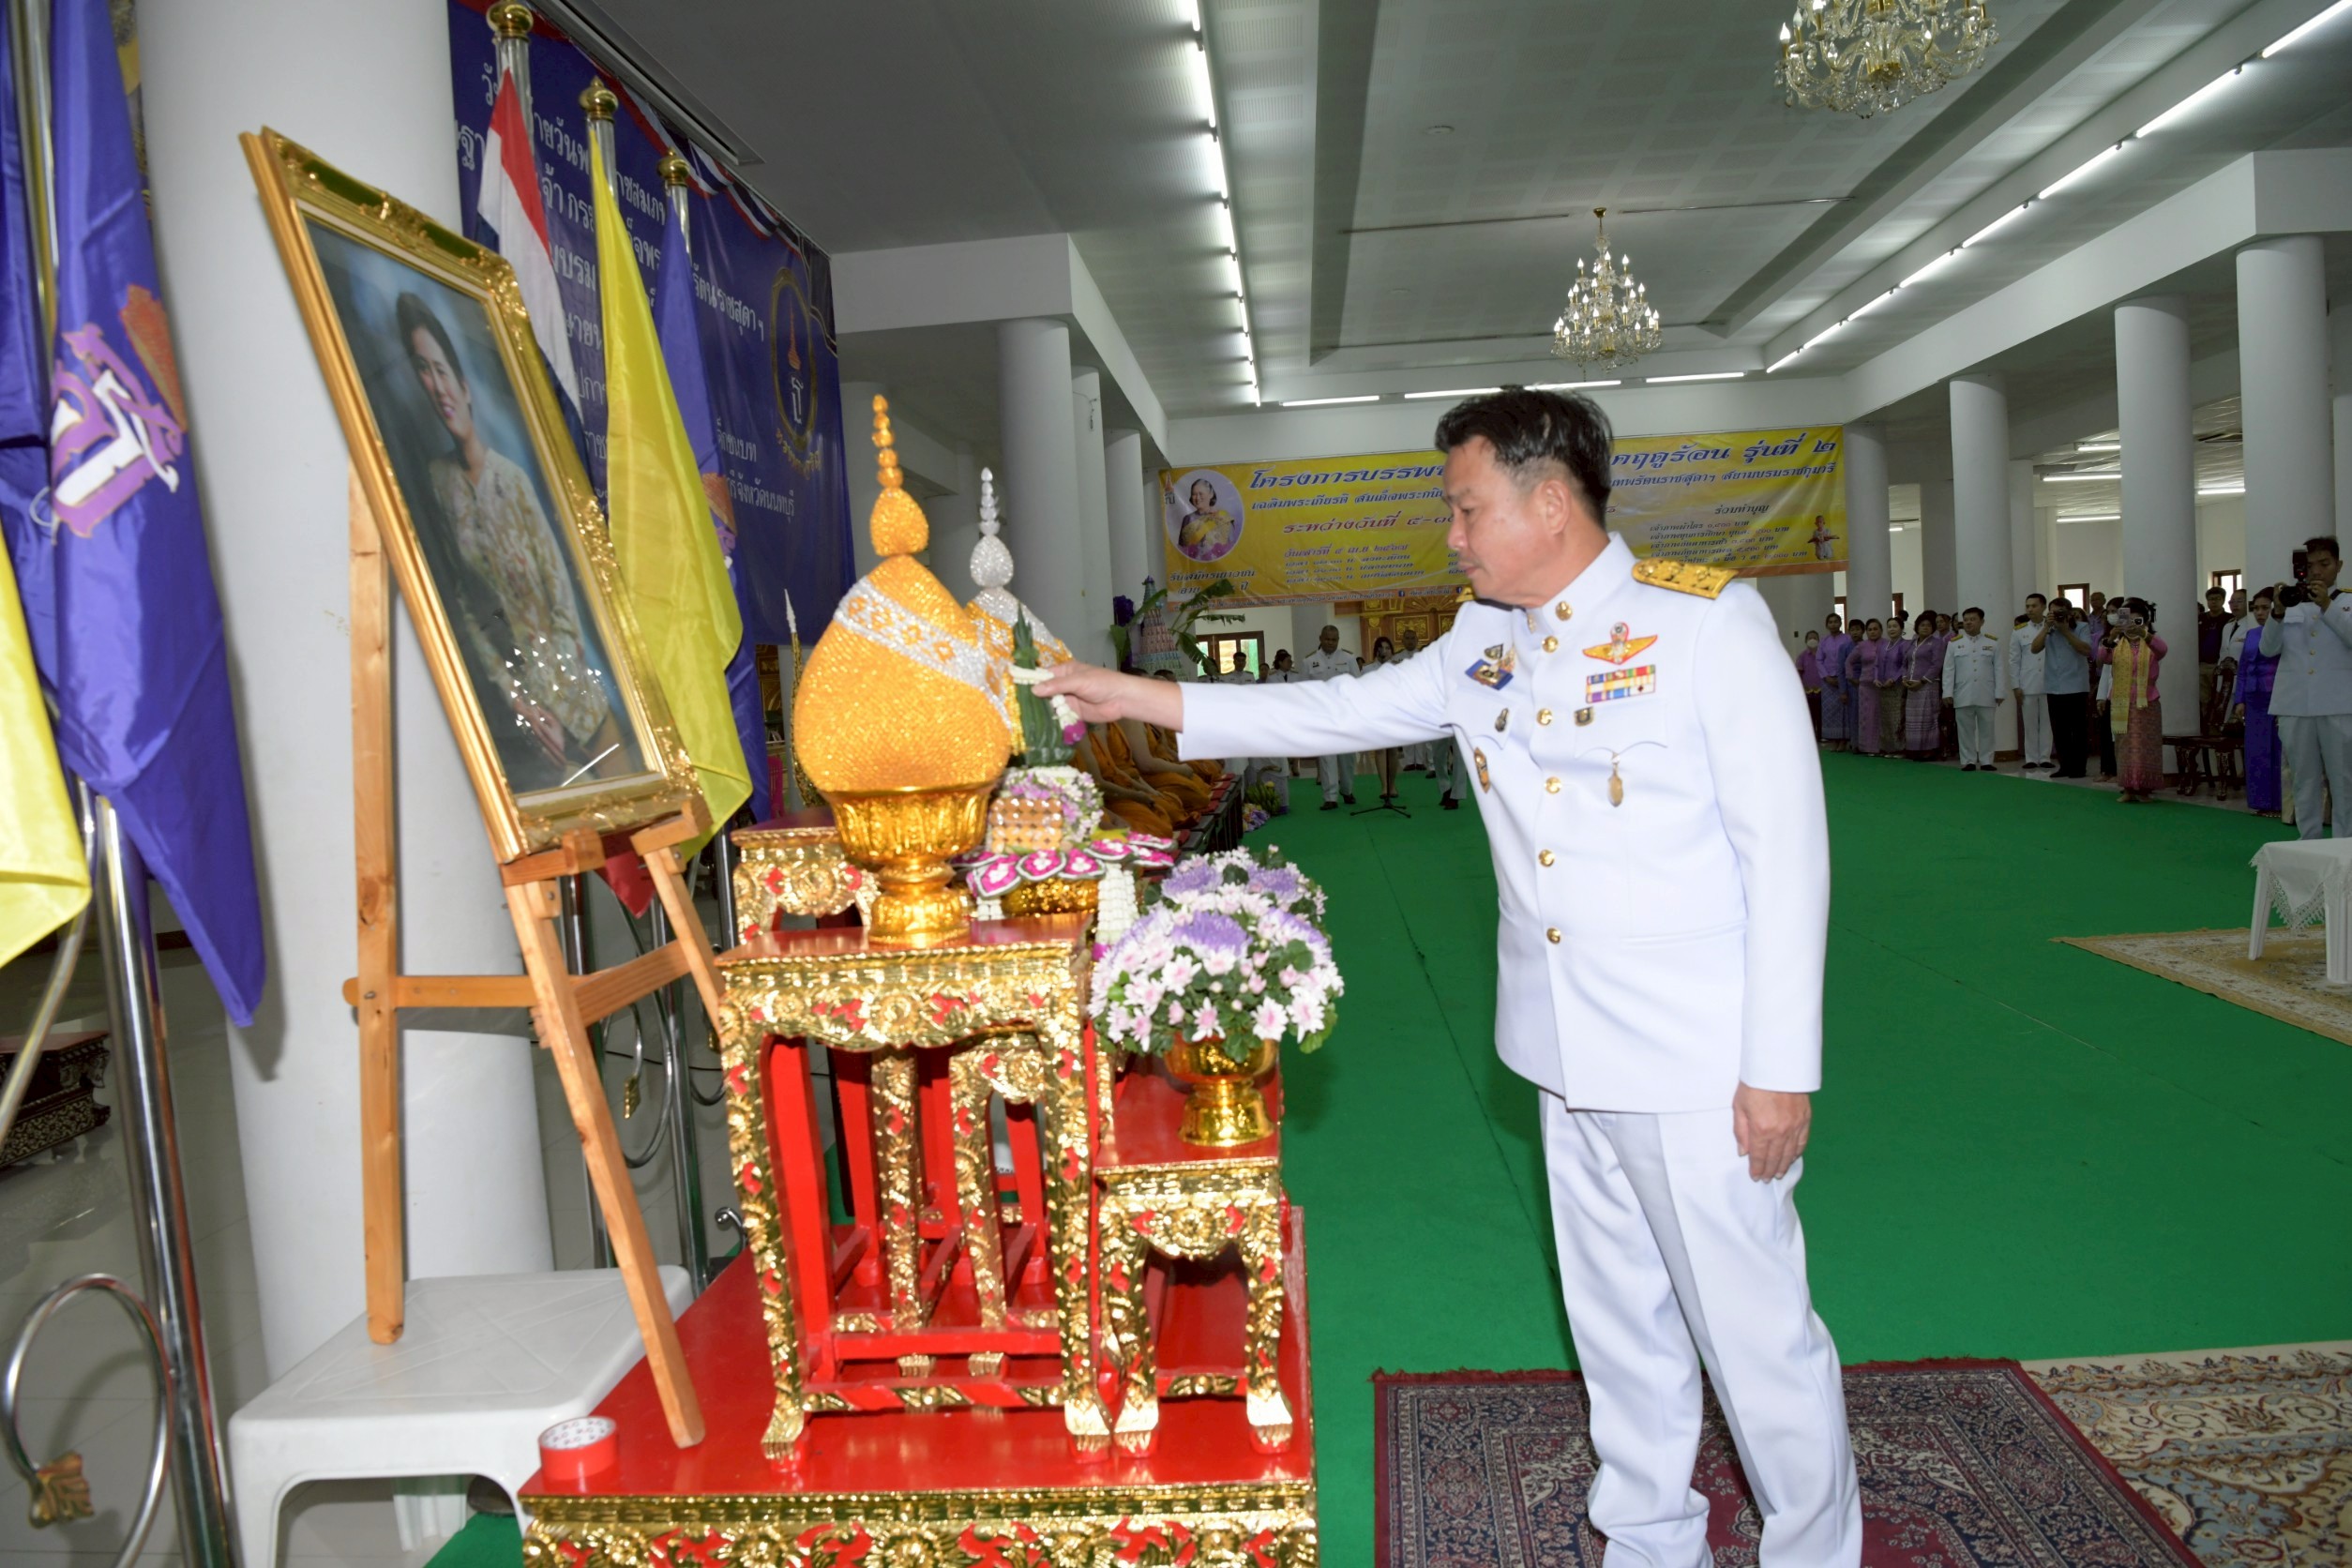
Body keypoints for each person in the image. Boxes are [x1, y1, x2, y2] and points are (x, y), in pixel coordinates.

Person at [1040, 386, 1861, 1567]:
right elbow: (1335, 709)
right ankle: (1648, 1537)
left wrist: (1779, 1070)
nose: (1454, 535)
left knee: (1757, 1335)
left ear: (1549, 500)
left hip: (1699, 1062)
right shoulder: (1484, 640)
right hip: (1563, 1049)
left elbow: (1787, 857)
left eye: (1467, 509)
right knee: (1616, 1321)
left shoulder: (1705, 626)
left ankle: (1815, 1549)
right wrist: (1140, 699)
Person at [400, 292, 628, 794]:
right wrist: (519, 699)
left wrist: (556, 695)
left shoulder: (514, 479)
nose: (437, 386)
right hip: (520, 723)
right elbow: (463, 604)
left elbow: (562, 597)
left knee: (637, 846)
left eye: (443, 370)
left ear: (465, 385)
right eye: (423, 370)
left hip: (578, 702)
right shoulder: (438, 482)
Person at [2259, 536, 2352, 838]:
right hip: (2295, 704)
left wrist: (2327, 605)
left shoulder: (2347, 602)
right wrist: (2277, 612)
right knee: (2304, 779)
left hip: (2338, 704)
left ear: (2338, 565)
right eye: (2309, 566)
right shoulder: (2290, 604)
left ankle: (2344, 846)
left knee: (2344, 780)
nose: (2316, 571)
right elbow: (2268, 649)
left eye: (2324, 564)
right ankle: (2308, 841)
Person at [2091, 597, 2167, 802]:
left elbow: (2163, 650)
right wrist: (2111, 638)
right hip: (2121, 701)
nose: (2132, 625)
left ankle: (2144, 788)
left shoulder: (2150, 643)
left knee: (2145, 745)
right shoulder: (2117, 643)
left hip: (2147, 700)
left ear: (2145, 622)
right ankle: (2128, 788)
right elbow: (2101, 661)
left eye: (2137, 621)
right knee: (2125, 745)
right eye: (2128, 620)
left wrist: (2144, 634)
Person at [2232, 590, 2283, 817]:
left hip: (2278, 696)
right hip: (2254, 698)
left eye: (2265, 608)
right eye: (2256, 609)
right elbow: (2242, 670)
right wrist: (2239, 699)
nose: (2260, 613)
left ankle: (2280, 803)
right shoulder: (2251, 634)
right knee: (2257, 751)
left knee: (2278, 750)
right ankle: (2260, 801)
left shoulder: (2284, 631)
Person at [1300, 626, 1359, 809]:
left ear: (1338, 640)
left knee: (1347, 758)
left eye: (1334, 640)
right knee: (1327, 759)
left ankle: (1347, 790)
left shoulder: (1348, 659)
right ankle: (1330, 797)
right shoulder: (1309, 662)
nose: (1330, 643)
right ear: (1320, 638)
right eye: (1327, 639)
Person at [2036, 597, 2094, 778]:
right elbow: (2034, 648)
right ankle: (2065, 766)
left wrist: (2065, 630)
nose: (2057, 615)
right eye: (2053, 612)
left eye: (2060, 611)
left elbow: (2086, 650)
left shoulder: (2081, 627)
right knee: (2059, 730)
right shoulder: (2048, 629)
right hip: (2054, 686)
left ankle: (2079, 767)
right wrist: (2047, 627)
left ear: (2069, 612)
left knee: (2078, 730)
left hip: (2076, 686)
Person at [1942, 608, 2005, 771]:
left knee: (1987, 729)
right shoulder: (1954, 644)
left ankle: (1986, 760)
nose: (1969, 622)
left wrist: (2000, 692)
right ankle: (1968, 760)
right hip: (1962, 692)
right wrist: (1947, 692)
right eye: (1966, 619)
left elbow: (1999, 669)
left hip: (1986, 692)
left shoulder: (1992, 643)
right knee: (1965, 729)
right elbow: (1948, 670)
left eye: (1973, 619)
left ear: (1982, 622)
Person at [2009, 594, 2051, 771]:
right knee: (2030, 723)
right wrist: (2016, 685)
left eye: (2034, 606)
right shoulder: (2019, 631)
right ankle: (2032, 757)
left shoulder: (2052, 628)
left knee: (2047, 723)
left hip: (2050, 682)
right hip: (2028, 683)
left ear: (2043, 607)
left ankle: (2045, 756)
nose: (2030, 609)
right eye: (2027, 606)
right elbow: (2014, 660)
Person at [1902, 612, 1946, 761]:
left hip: (1927, 685)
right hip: (1911, 686)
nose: (1925, 628)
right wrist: (1904, 679)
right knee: (1913, 719)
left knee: (1927, 717)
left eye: (1929, 625)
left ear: (1933, 628)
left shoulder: (1936, 643)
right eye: (1922, 625)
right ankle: (1914, 749)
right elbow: (1905, 663)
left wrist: (1922, 681)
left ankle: (1929, 749)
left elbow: (1937, 664)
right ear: (1917, 627)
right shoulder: (1911, 643)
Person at [1366, 636, 1404, 802]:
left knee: (1393, 751)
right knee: (1380, 750)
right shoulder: (1368, 670)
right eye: (1381, 648)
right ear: (1376, 651)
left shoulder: (1399, 668)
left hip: (1394, 713)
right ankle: (1384, 786)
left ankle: (1392, 784)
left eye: (1388, 648)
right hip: (1375, 714)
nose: (1385, 651)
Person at [1847, 620, 1889, 756]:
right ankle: (1866, 747)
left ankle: (1882, 746)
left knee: (1881, 716)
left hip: (1883, 686)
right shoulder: (1862, 646)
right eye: (1870, 629)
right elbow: (1849, 662)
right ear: (1866, 632)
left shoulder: (1887, 644)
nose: (1873, 632)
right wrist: (1851, 677)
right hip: (1866, 686)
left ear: (1881, 630)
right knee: (1866, 716)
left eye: (1876, 629)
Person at [1817, 612, 1855, 751]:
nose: (1833, 624)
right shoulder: (1823, 641)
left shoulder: (1847, 639)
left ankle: (1844, 740)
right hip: (1828, 682)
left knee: (1844, 710)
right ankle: (1834, 740)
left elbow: (1851, 658)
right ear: (1827, 625)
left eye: (1835, 621)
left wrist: (1843, 677)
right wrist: (1826, 677)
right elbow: (1819, 660)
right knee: (1830, 711)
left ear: (1840, 623)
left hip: (1844, 680)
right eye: (1830, 622)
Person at [1176, 476, 1237, 561]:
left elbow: (1232, 548)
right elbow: (1181, 550)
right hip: (1195, 569)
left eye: (1201, 494)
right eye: (1194, 494)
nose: (1197, 498)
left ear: (1211, 495)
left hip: (1219, 568)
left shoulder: (1222, 517)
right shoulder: (1187, 519)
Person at [2196, 586, 2231, 731]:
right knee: (2203, 699)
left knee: (2219, 697)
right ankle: (2205, 726)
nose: (2214, 602)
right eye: (2211, 599)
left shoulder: (2229, 619)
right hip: (2201, 665)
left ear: (2223, 600)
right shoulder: (2200, 619)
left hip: (2220, 665)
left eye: (2217, 599)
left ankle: (2219, 726)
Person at [1798, 629, 1826, 741]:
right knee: (1810, 715)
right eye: (1810, 638)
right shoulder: (1802, 656)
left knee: (1820, 714)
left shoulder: (1823, 655)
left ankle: (1821, 735)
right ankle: (1811, 737)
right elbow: (1799, 673)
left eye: (1815, 638)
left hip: (1822, 690)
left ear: (1819, 640)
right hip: (1807, 691)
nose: (1812, 640)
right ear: (1805, 640)